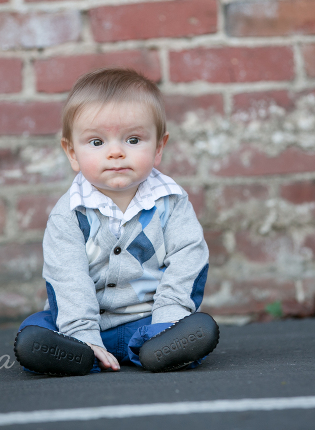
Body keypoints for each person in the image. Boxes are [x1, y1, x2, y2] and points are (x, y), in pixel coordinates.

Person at [14, 68, 219, 376]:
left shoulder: (171, 203)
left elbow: (189, 259)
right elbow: (67, 278)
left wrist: (169, 318)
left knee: (196, 327)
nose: (116, 152)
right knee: (34, 329)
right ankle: (83, 352)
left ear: (158, 148)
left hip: (151, 322)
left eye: (133, 139)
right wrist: (82, 333)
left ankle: (161, 348)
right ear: (72, 152)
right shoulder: (69, 214)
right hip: (88, 323)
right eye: (96, 142)